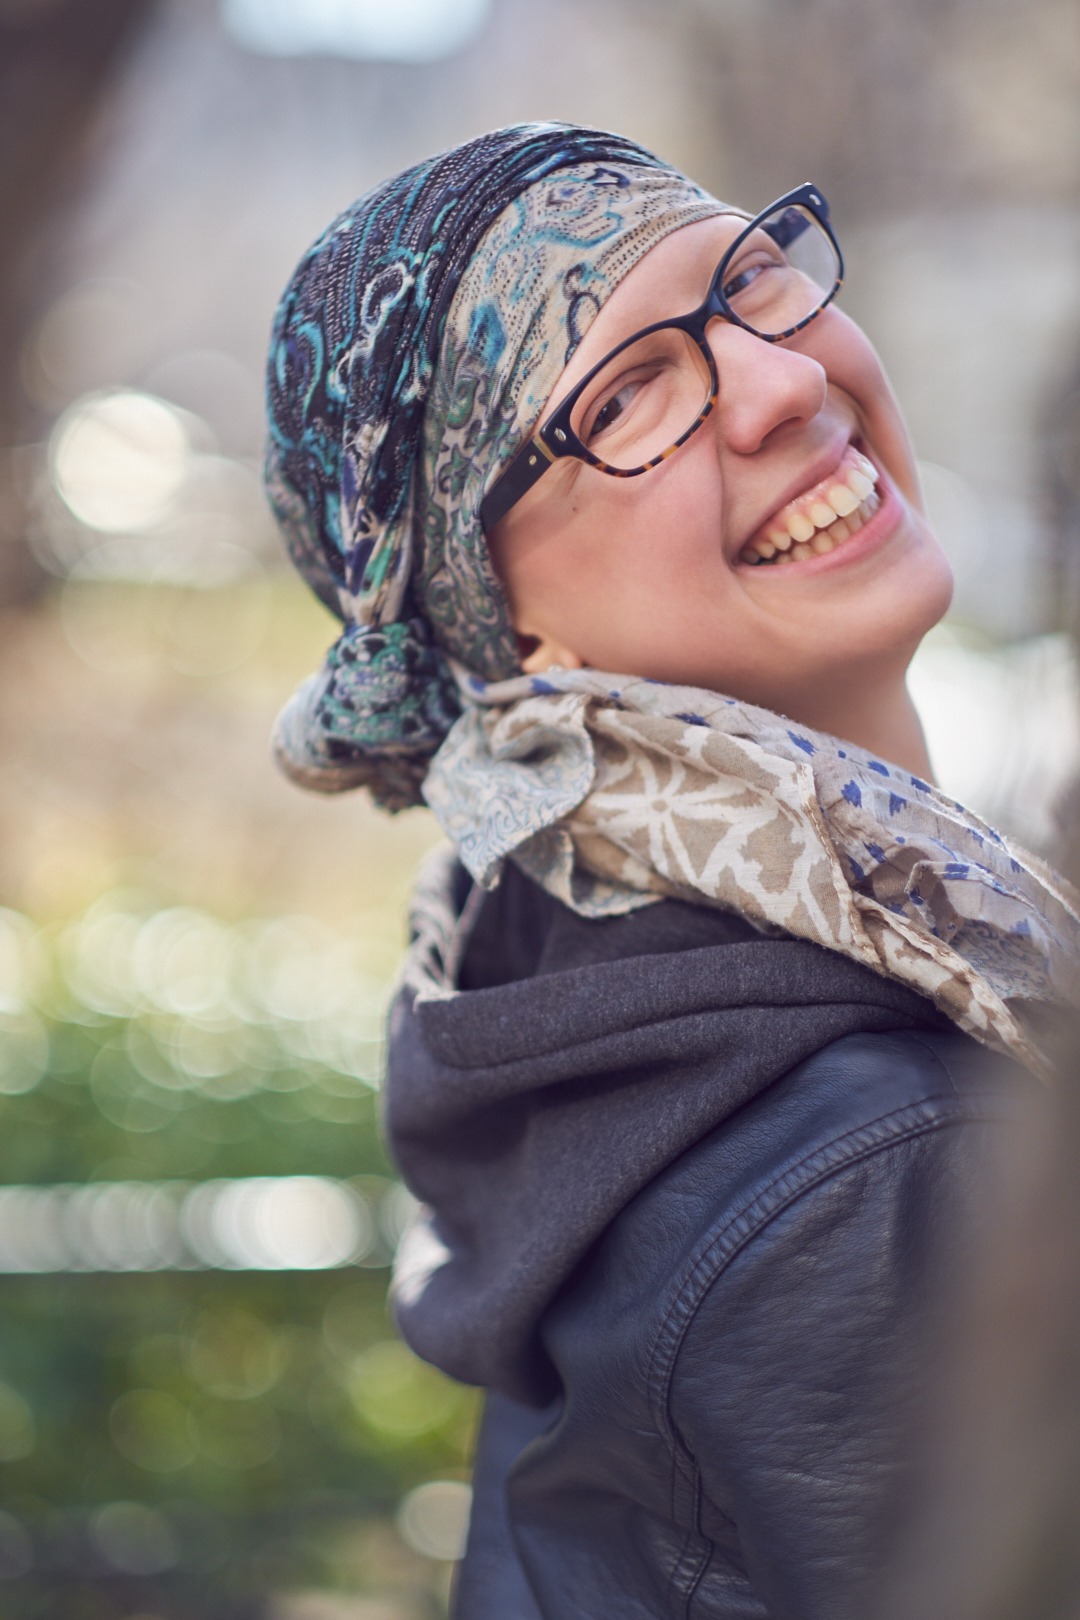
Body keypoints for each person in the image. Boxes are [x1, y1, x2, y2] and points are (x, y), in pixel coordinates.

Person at [264, 123, 1080, 1620]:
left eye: (756, 282)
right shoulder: (883, 1162)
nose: (778, 381)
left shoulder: (573, 958)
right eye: (627, 397)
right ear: (505, 628)